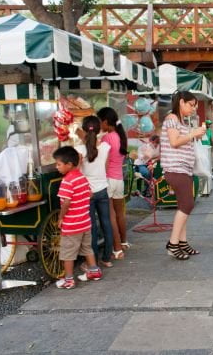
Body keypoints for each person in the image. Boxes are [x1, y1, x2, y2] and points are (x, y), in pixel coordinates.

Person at [161, 91, 207, 260]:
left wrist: (192, 133)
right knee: (187, 205)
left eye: (194, 105)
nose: (193, 108)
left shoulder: (179, 121)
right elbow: (174, 142)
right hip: (176, 168)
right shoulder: (172, 119)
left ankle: (182, 242)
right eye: (191, 105)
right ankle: (173, 244)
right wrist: (193, 134)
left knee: (183, 206)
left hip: (183, 169)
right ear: (181, 102)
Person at [53, 146, 102, 289]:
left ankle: (68, 279)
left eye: (59, 164)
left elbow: (66, 202)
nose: (57, 167)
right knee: (87, 248)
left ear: (69, 164)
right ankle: (94, 271)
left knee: (67, 253)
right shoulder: (81, 177)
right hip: (85, 223)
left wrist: (61, 218)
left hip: (72, 224)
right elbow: (90, 194)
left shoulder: (67, 181)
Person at [75, 116, 114, 268]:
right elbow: (105, 168)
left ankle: (93, 261)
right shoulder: (105, 147)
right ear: (99, 130)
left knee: (91, 227)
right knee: (106, 223)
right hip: (103, 189)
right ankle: (107, 258)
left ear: (84, 130)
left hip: (88, 192)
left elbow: (77, 172)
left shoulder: (79, 150)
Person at [96, 107, 129, 259]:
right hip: (119, 180)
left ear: (105, 121)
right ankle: (123, 242)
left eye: (99, 121)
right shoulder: (120, 136)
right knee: (120, 214)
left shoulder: (107, 138)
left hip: (108, 180)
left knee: (110, 216)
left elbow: (102, 160)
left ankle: (117, 249)